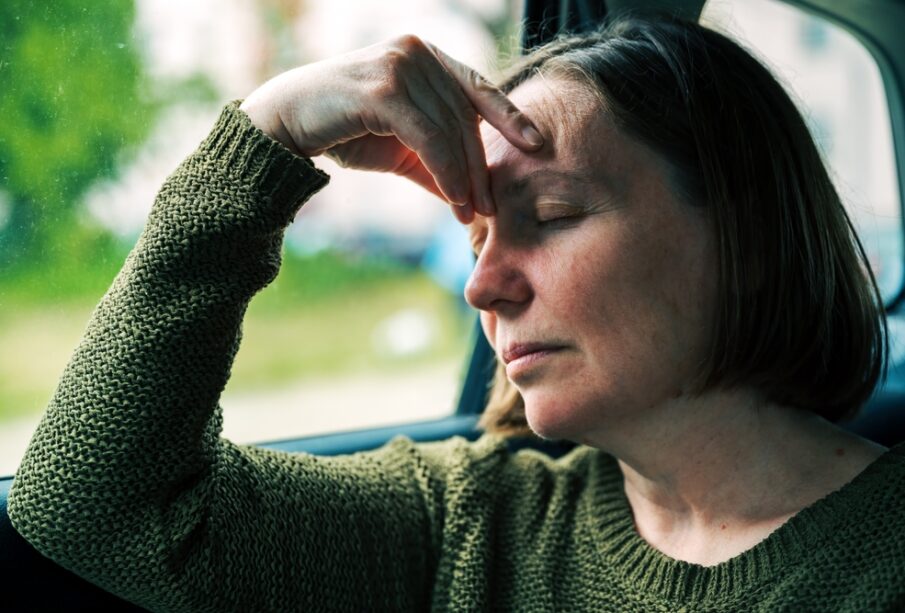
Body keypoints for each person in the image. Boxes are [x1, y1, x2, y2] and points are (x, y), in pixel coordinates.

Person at [8, 13, 905, 612]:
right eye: (475, 237)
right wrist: (270, 134)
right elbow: (91, 504)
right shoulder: (468, 519)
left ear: (745, 239)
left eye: (549, 216)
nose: (481, 285)